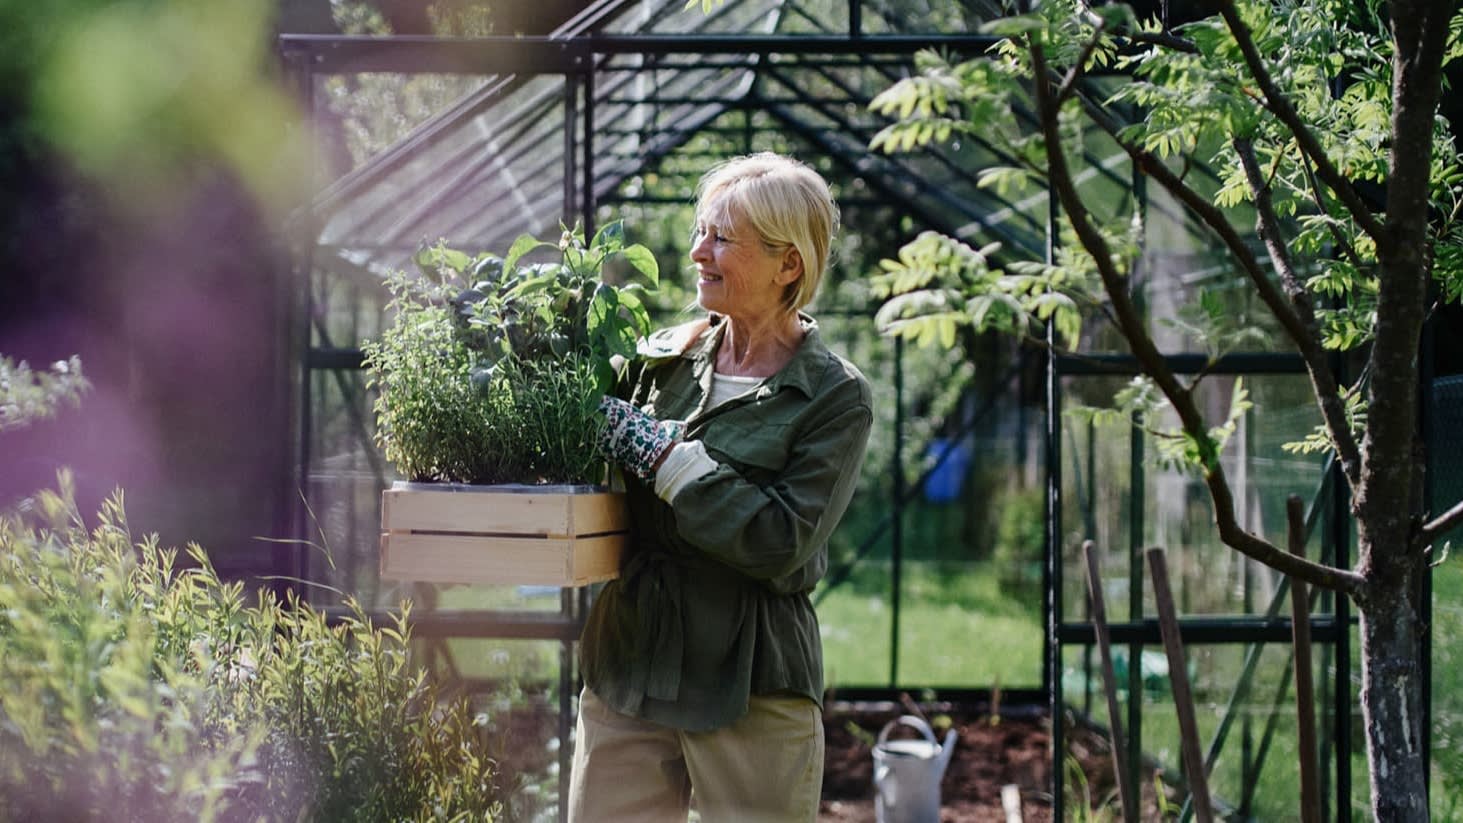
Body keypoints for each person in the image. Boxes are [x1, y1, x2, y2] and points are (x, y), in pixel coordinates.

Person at [568, 152, 873, 823]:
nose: (697, 251)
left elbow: (779, 540)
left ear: (787, 264)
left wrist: (667, 458)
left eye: (722, 238)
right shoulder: (660, 359)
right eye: (700, 231)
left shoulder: (833, 395)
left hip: (750, 676)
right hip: (631, 659)